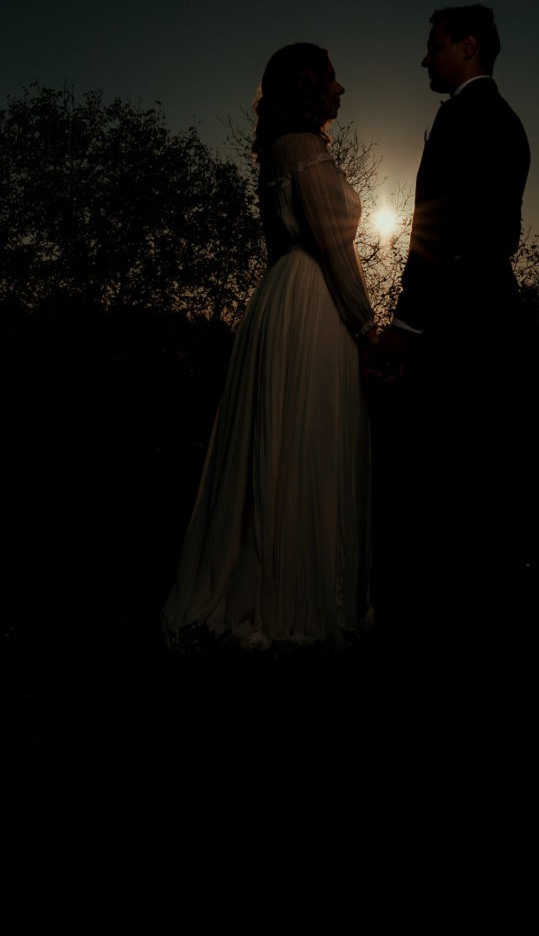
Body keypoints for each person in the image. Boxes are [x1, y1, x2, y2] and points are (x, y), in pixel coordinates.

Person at [162, 44, 380, 650]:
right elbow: (335, 247)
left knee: (289, 441)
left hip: (287, 295)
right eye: (333, 80)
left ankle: (290, 583)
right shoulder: (303, 150)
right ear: (310, 87)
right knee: (305, 436)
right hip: (313, 301)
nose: (341, 91)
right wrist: (366, 327)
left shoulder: (283, 151)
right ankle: (292, 596)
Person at [373, 4, 531, 635]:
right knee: (485, 468)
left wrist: (406, 326)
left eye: (433, 46)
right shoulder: (507, 121)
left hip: (458, 317)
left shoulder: (465, 121)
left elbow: (435, 230)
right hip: (495, 307)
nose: (423, 58)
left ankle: (440, 618)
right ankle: (480, 610)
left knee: (445, 468)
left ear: (467, 46)